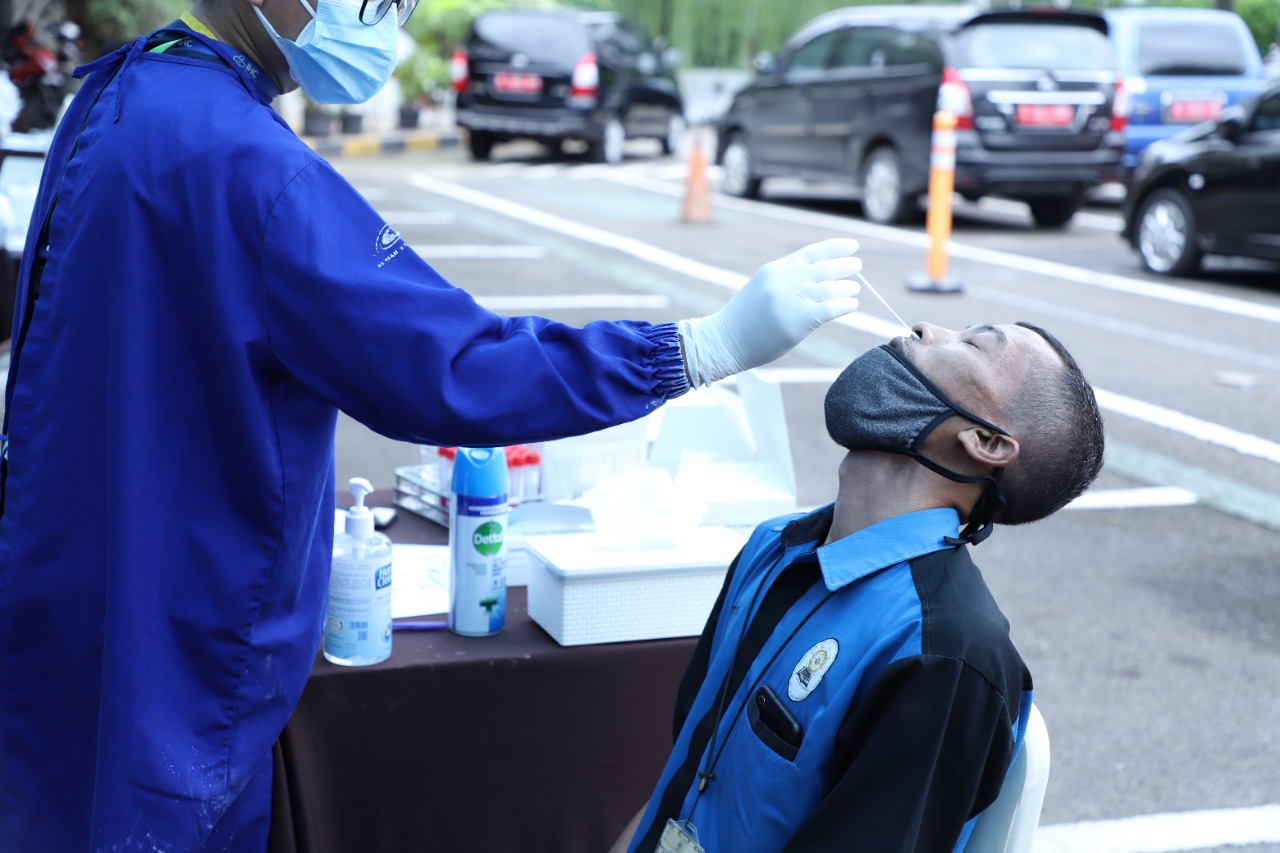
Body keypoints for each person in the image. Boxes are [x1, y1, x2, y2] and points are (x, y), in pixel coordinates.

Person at [0, 1, 864, 850]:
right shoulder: (249, 167)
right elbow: (452, 366)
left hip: (71, 590)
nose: (391, 21)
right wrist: (698, 348)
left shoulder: (121, 93)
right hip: (181, 631)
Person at [618, 322, 1105, 853]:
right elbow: (683, 769)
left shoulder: (943, 653)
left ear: (985, 442)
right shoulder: (773, 543)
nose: (925, 328)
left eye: (972, 343)